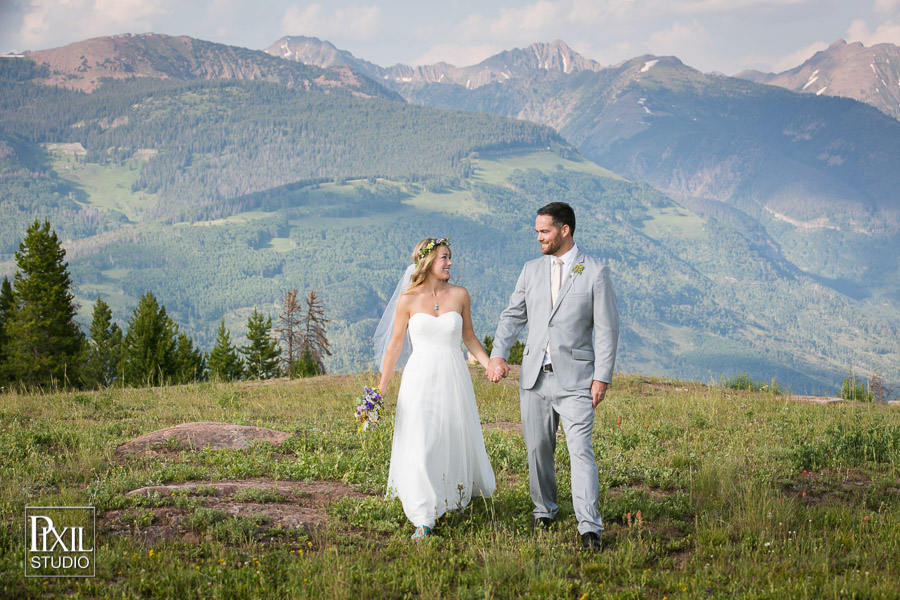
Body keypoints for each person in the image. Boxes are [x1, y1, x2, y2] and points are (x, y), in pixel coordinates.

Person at [487, 202, 619, 550]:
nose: (539, 238)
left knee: (581, 451)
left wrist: (602, 377)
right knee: (538, 450)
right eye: (537, 232)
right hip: (534, 378)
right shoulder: (530, 270)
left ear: (564, 230)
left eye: (544, 231)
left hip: (577, 380)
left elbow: (607, 330)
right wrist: (498, 354)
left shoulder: (595, 272)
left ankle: (589, 527)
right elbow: (512, 316)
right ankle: (544, 510)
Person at [376, 237, 496, 541]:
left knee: (448, 436)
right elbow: (394, 346)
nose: (450, 263)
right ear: (428, 261)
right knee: (420, 440)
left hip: (453, 376)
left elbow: (469, 337)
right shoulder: (408, 300)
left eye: (450, 257)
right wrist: (381, 389)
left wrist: (489, 365)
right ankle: (423, 515)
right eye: (444, 257)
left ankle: (448, 494)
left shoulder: (460, 295)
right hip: (419, 378)